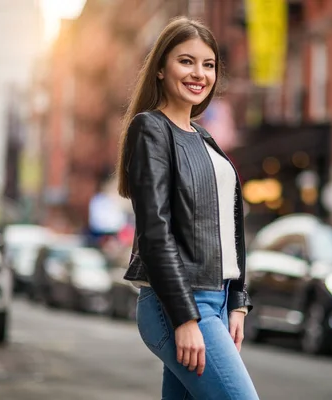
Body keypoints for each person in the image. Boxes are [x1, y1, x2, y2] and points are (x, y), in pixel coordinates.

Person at [115, 16, 259, 400]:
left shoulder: (206, 138)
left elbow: (231, 227)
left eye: (208, 64)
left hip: (218, 298)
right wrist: (185, 317)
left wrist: (239, 302)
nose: (199, 74)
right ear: (161, 69)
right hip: (178, 301)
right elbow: (155, 232)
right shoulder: (150, 129)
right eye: (186, 61)